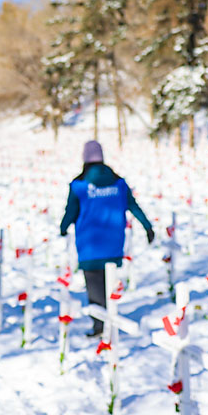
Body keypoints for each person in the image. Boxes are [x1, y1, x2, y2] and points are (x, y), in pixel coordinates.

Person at [60, 140, 154, 336]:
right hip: (113, 243)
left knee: (94, 286)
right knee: (109, 281)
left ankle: (100, 325)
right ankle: (109, 320)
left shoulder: (79, 185)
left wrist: (62, 227)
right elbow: (133, 206)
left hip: (89, 244)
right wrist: (148, 227)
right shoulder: (119, 183)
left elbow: (71, 211)